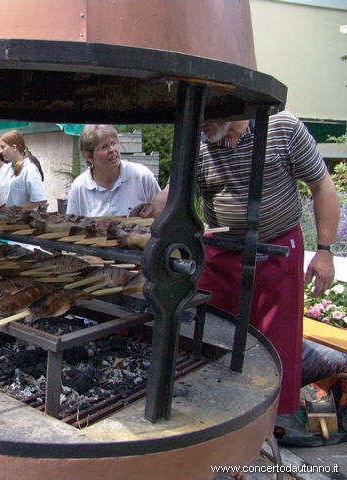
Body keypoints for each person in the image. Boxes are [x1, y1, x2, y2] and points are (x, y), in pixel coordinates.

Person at [134, 111, 340, 415]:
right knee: (212, 337)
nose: (202, 123)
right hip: (220, 257)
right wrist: (152, 209)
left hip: (277, 253)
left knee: (274, 345)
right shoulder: (199, 145)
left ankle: (268, 423)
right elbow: (172, 194)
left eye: (210, 115)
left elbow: (323, 187)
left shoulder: (283, 129)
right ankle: (215, 413)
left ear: (235, 105)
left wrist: (325, 251)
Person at [66, 125, 161, 217]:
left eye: (114, 143)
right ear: (88, 156)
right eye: (104, 147)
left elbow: (162, 211)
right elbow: (71, 226)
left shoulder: (141, 176)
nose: (112, 149)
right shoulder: (79, 187)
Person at [0, 130, 47, 210]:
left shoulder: (29, 169)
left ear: (14, 147)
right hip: (8, 218)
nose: (0, 151)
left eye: (3, 147)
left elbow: (40, 199)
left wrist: (16, 210)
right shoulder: (7, 168)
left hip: (22, 221)